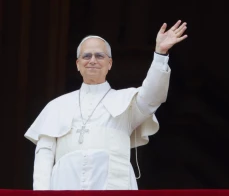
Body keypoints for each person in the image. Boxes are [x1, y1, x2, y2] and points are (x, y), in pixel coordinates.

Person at [24, 20, 188, 190]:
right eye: (86, 56)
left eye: (99, 56)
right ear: (78, 65)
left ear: (109, 63)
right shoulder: (56, 106)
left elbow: (153, 96)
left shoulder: (127, 101)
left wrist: (160, 55)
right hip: (65, 185)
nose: (92, 60)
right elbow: (44, 155)